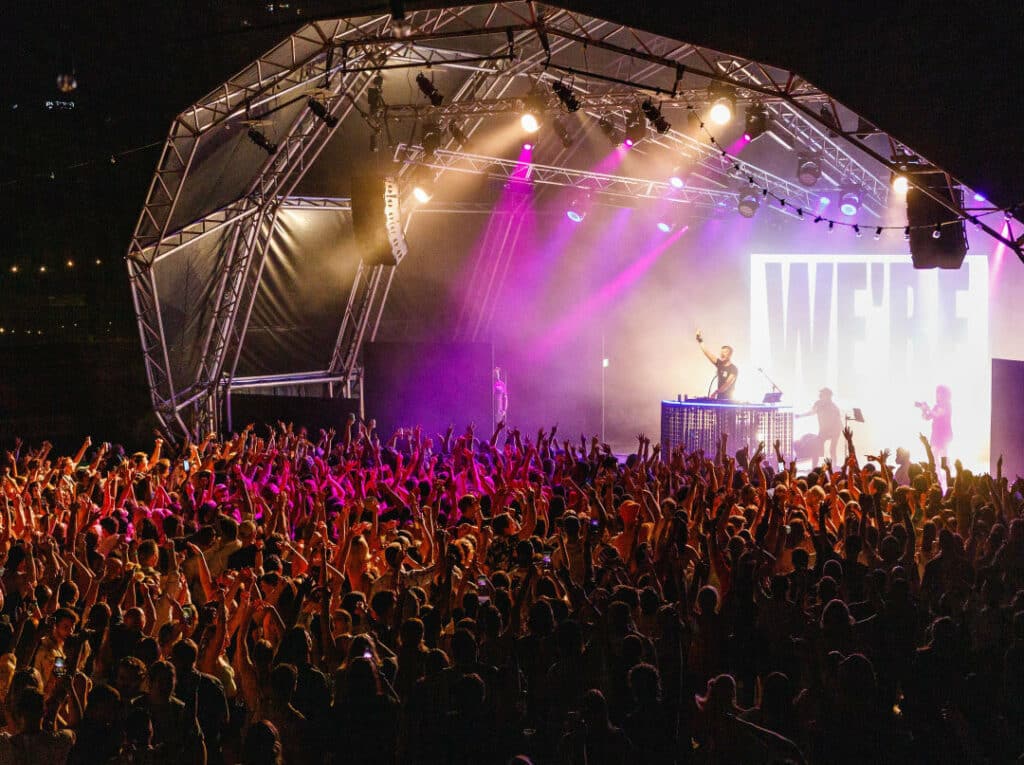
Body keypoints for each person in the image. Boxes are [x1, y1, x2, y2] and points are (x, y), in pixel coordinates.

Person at [796, 388, 843, 467]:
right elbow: (812, 412)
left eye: (829, 396)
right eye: (823, 395)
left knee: (832, 449)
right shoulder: (818, 403)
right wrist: (800, 416)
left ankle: (834, 466)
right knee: (816, 448)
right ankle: (814, 467)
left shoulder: (834, 406)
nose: (827, 398)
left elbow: (838, 419)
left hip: (834, 430)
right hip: (824, 430)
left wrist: (839, 429)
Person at [696, 331, 738, 400]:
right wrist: (700, 340)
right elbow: (707, 353)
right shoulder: (720, 364)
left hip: (729, 401)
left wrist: (715, 392)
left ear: (730, 354)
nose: (722, 354)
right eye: (721, 352)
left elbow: (727, 384)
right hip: (719, 399)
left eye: (725, 352)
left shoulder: (733, 369)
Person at [915, 385, 952, 459]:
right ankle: (937, 470)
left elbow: (937, 415)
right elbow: (926, 418)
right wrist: (923, 410)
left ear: (945, 395)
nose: (938, 395)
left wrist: (928, 408)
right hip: (935, 434)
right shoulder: (936, 406)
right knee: (934, 456)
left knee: (943, 457)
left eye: (940, 393)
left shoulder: (947, 405)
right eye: (937, 393)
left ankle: (947, 470)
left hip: (943, 434)